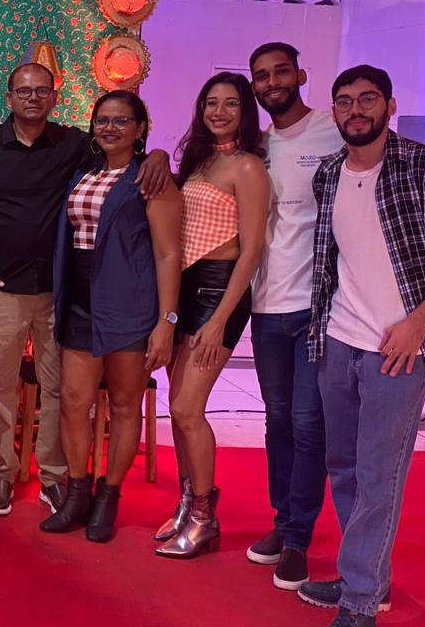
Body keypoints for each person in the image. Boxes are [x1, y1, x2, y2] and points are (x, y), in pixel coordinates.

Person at [298, 66, 425, 627]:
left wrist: (418, 322)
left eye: (367, 99)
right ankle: (366, 576)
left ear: (388, 105)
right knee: (343, 466)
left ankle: (360, 600)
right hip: (338, 340)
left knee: (379, 475)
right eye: (345, 101)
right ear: (334, 110)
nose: (355, 110)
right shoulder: (329, 174)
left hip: (398, 351)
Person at [0, 63, 170, 516]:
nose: (32, 98)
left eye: (42, 91)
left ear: (54, 98)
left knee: (61, 391)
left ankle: (54, 477)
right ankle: (2, 473)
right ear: (9, 97)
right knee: (0, 387)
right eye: (23, 91)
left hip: (61, 291)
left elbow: (123, 160)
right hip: (3, 287)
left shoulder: (75, 145)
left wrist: (158, 155)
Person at [39, 90, 181, 543]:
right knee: (73, 401)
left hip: (130, 307)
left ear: (140, 128)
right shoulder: (85, 171)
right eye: (102, 120)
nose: (110, 128)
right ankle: (77, 493)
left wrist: (166, 321)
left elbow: (168, 254)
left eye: (122, 121)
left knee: (123, 404)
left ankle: (109, 496)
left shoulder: (151, 179)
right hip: (80, 302)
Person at [155, 72, 268, 559]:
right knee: (177, 408)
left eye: (230, 104)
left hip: (220, 291)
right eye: (211, 103)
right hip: (184, 287)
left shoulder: (248, 167)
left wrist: (221, 317)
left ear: (245, 111)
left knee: (186, 409)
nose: (219, 112)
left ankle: (204, 517)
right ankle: (188, 504)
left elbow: (252, 250)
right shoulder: (199, 161)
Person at [244, 42, 343, 588]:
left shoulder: (333, 129)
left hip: (318, 307)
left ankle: (299, 539)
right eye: (261, 76)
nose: (272, 82)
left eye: (281, 71)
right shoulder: (257, 146)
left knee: (308, 424)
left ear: (301, 74)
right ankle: (282, 522)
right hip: (266, 306)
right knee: (277, 420)